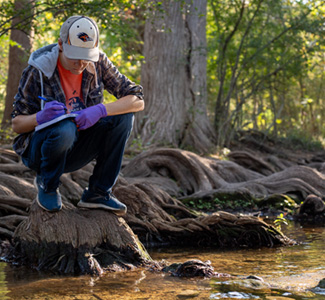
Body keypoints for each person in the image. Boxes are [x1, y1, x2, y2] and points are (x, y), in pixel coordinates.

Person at [11, 15, 144, 215]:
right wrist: (40, 117)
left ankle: (98, 193)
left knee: (123, 118)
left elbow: (138, 100)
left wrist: (100, 110)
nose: (81, 63)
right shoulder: (37, 69)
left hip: (78, 145)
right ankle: (47, 186)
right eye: (75, 55)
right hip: (42, 150)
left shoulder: (98, 62)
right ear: (61, 45)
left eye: (86, 55)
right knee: (65, 129)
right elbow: (17, 124)